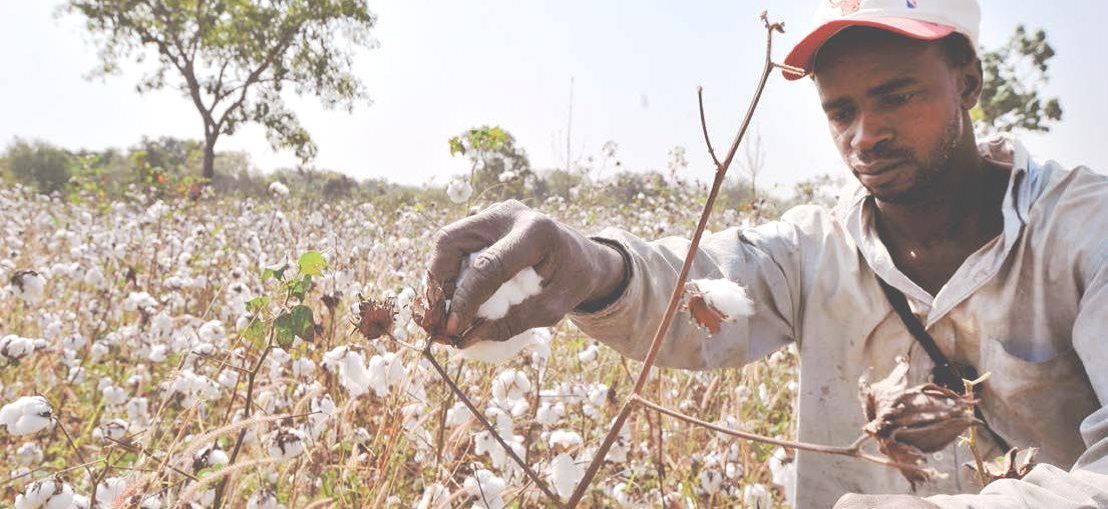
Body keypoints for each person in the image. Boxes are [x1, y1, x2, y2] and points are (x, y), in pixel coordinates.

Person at [426, 0, 1108, 507]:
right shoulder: (815, 250)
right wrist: (590, 266)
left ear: (967, 81)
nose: (865, 136)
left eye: (896, 97)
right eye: (841, 112)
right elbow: (697, 290)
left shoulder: (1084, 232)